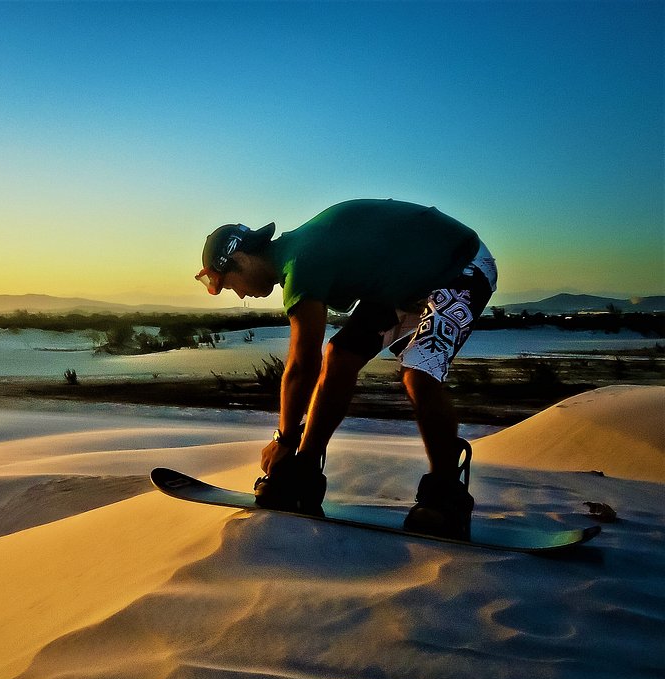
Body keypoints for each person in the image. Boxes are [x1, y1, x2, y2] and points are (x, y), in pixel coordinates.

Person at [195, 199, 498, 539]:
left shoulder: (301, 262)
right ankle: (304, 473)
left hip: (461, 264)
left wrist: (284, 438)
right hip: (406, 282)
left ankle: (446, 495)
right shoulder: (298, 256)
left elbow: (303, 362)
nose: (237, 295)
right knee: (340, 355)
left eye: (226, 283)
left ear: (240, 259)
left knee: (419, 373)